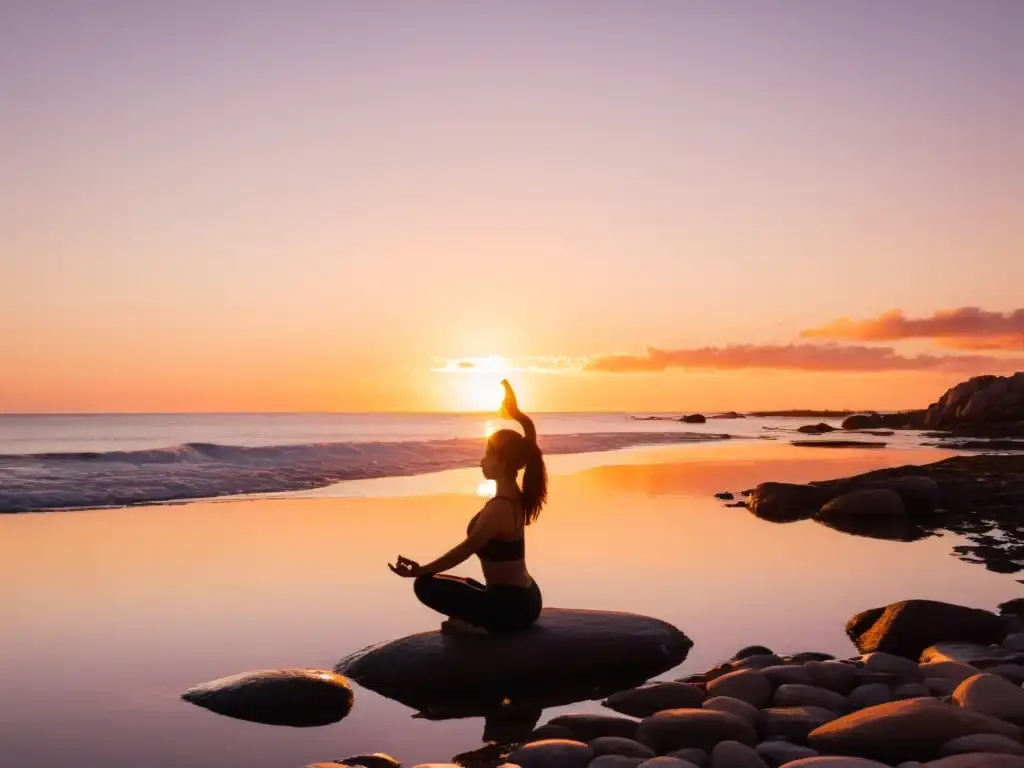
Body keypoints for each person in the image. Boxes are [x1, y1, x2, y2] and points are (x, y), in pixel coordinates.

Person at [389, 379, 546, 634]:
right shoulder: (518, 497)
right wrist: (517, 415)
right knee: (461, 584)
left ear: (502, 461)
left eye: (487, 455)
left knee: (424, 585)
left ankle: (483, 628)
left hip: (510, 606)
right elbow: (528, 445)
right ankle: (480, 617)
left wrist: (420, 570)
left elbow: (465, 550)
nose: (481, 461)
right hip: (526, 596)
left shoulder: (500, 509)